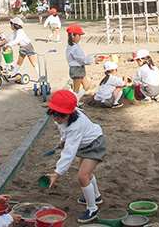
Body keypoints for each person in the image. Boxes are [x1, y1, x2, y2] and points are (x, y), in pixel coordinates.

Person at [45, 90, 107, 224]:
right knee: (86, 174)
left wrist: (57, 173)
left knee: (82, 176)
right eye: (54, 116)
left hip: (94, 145)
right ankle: (96, 196)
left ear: (69, 114)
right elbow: (63, 129)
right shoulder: (62, 118)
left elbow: (69, 153)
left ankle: (92, 208)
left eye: (60, 117)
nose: (57, 119)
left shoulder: (76, 125)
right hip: (84, 146)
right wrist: (63, 139)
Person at [66, 24, 95, 99]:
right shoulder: (74, 48)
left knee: (86, 86)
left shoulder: (73, 45)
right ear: (73, 35)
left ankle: (76, 100)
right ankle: (74, 103)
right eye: (79, 36)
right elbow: (82, 59)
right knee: (76, 89)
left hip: (80, 68)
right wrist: (93, 60)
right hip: (76, 69)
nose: (79, 38)